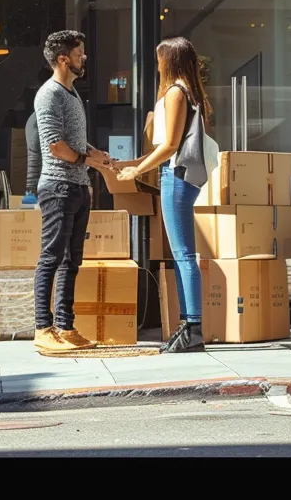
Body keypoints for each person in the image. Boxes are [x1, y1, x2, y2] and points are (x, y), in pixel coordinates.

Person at [116, 36, 213, 353]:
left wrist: (137, 170)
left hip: (176, 175)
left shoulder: (175, 93)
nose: (157, 66)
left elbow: (169, 146)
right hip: (183, 176)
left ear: (168, 61)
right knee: (182, 254)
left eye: (160, 60)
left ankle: (192, 328)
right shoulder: (190, 92)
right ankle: (188, 326)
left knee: (183, 254)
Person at [31, 30, 113, 352]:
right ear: (64, 59)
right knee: (51, 257)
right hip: (58, 187)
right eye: (80, 53)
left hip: (78, 187)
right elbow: (55, 147)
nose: (84, 58)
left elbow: (76, 145)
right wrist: (87, 160)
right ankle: (42, 328)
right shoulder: (48, 95)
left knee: (71, 261)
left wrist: (96, 155)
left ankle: (65, 327)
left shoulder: (73, 94)